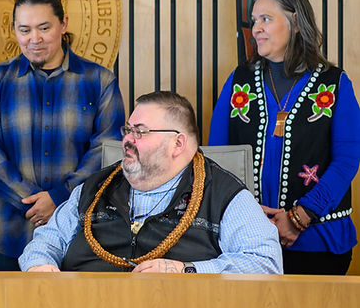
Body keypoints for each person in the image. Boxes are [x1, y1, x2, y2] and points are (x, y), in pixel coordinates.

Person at [19, 91, 282, 273]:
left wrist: (187, 269)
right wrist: (39, 266)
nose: (127, 140)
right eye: (128, 130)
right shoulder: (94, 188)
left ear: (177, 143)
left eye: (140, 132)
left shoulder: (225, 195)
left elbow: (266, 263)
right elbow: (45, 243)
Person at [0, 0, 125, 270]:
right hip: (8, 233)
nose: (34, 39)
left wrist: (60, 198)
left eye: (44, 28)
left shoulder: (99, 81)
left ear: (63, 24)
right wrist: (33, 202)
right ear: (14, 29)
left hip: (81, 233)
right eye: (24, 30)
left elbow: (107, 152)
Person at [209, 0, 359, 275]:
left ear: (295, 22)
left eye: (266, 19)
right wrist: (251, 217)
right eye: (254, 21)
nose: (256, 29)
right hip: (247, 241)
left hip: (319, 240)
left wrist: (299, 217)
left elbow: (347, 161)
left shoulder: (335, 83)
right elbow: (217, 159)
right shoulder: (238, 81)